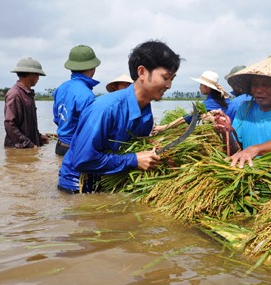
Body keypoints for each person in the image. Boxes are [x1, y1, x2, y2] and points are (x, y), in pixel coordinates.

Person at [57, 40, 181, 194]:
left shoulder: (146, 114)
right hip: (77, 186)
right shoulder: (105, 109)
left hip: (105, 180)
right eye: (165, 77)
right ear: (142, 72)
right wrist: (134, 160)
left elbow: (132, 150)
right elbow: (82, 160)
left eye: (172, 79)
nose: (169, 85)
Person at [214, 55, 271, 177]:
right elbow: (237, 150)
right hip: (250, 176)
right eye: (255, 84)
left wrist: (255, 149)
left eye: (266, 85)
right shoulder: (245, 108)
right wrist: (226, 131)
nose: (258, 90)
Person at [53, 44, 101, 156]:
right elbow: (90, 130)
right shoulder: (87, 95)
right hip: (75, 150)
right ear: (92, 68)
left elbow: (57, 119)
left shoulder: (60, 88)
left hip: (60, 146)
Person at [152, 70, 230, 133]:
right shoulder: (225, 99)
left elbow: (186, 118)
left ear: (206, 87)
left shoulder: (208, 103)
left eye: (200, 85)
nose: (199, 87)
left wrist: (163, 127)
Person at [4, 57, 49, 148]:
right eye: (37, 75)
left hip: (28, 146)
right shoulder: (15, 94)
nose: (38, 78)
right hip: (18, 149)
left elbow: (27, 124)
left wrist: (38, 136)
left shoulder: (28, 94)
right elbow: (9, 124)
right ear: (31, 74)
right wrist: (27, 144)